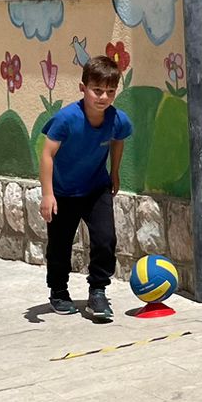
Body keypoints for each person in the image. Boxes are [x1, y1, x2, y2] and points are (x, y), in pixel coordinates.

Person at [40, 54, 134, 322]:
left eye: (110, 91)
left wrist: (114, 171)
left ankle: (98, 292)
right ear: (83, 88)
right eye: (97, 90)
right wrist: (48, 194)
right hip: (63, 192)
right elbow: (47, 154)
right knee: (60, 246)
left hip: (96, 188)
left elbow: (118, 140)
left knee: (106, 239)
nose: (103, 97)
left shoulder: (117, 119)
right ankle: (59, 292)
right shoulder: (66, 119)